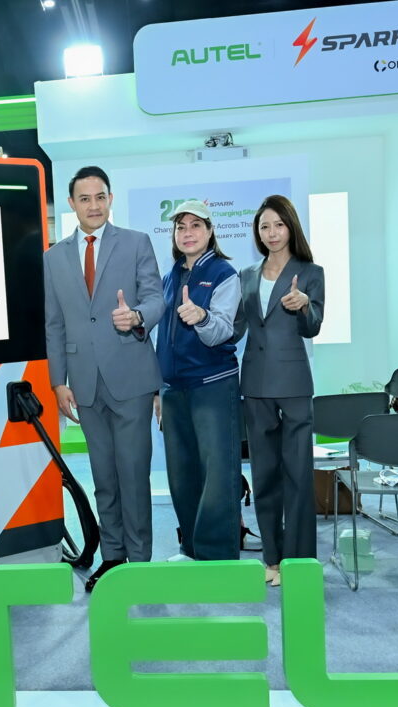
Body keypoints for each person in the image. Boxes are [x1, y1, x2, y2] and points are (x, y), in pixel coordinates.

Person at [43, 166, 164, 592]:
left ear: (110, 199)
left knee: (133, 475)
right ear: (72, 204)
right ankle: (113, 557)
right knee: (104, 478)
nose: (93, 206)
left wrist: (137, 316)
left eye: (100, 197)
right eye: (85, 198)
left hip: (131, 378)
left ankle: (140, 563)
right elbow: (53, 323)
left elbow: (156, 298)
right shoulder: (54, 257)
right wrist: (58, 381)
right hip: (84, 383)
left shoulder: (136, 243)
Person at [234, 194, 325, 587]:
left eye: (278, 225)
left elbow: (313, 326)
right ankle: (272, 558)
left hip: (293, 385)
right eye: (264, 226)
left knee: (298, 475)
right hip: (255, 384)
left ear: (291, 227)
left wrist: (304, 304)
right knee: (265, 475)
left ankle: (299, 561)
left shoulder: (310, 271)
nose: (271, 233)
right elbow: (236, 327)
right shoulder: (246, 274)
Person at [155, 200, 242, 562]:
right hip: (174, 389)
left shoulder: (224, 273)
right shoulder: (171, 276)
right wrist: (158, 390)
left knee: (218, 474)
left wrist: (201, 316)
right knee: (182, 474)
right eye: (181, 227)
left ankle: (218, 557)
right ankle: (191, 550)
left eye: (195, 226)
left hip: (212, 384)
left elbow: (222, 330)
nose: (187, 233)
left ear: (209, 231)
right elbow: (162, 336)